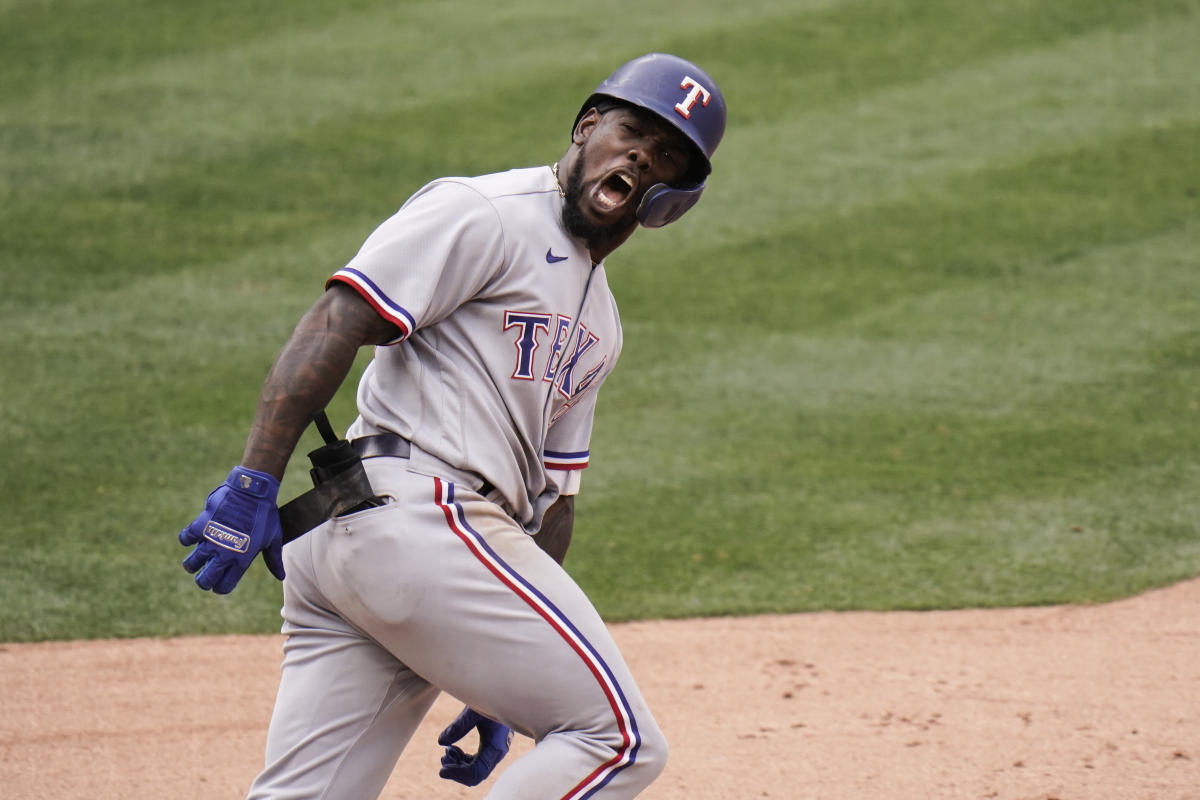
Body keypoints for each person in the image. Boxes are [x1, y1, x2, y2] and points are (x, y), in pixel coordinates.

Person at [178, 52, 726, 799]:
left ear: (674, 198)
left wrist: (497, 673)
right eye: (631, 131)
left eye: (665, 156)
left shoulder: (600, 320)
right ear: (587, 126)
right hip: (415, 523)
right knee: (619, 742)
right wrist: (252, 481)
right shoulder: (487, 212)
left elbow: (555, 502)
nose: (639, 155)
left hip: (385, 551)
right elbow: (337, 320)